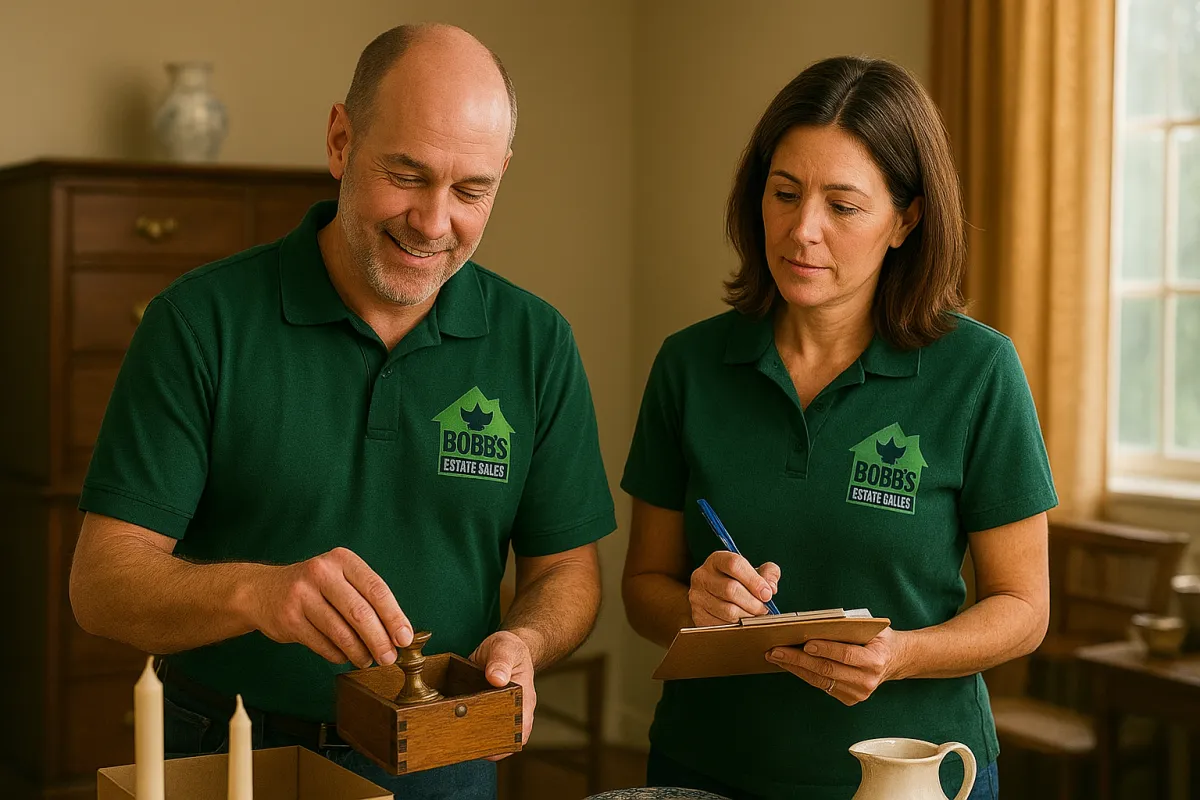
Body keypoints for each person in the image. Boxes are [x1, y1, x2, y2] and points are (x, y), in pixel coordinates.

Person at [68, 23, 615, 800]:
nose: (432, 223)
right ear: (339, 141)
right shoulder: (200, 322)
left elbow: (567, 569)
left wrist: (525, 642)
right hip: (229, 750)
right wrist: (256, 593)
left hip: (441, 757)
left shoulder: (538, 342)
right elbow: (101, 584)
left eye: (470, 190)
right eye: (406, 174)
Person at [621, 56, 1055, 800]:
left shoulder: (979, 370)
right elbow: (642, 588)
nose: (801, 230)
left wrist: (901, 654)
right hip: (707, 769)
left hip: (912, 772)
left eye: (843, 206)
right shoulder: (688, 366)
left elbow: (1024, 609)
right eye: (784, 193)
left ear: (906, 219)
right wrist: (696, 606)